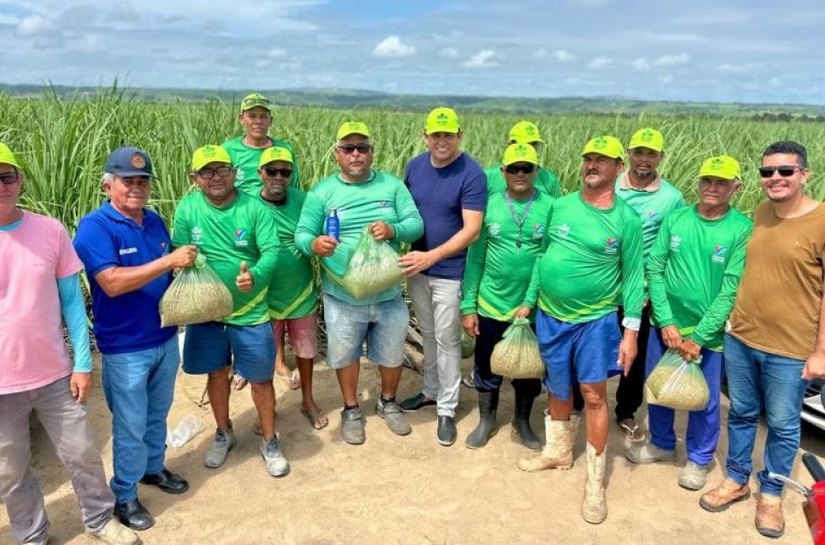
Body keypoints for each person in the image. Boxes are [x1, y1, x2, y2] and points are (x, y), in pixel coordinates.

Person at [0, 141, 138, 545]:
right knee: (10, 468)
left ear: (19, 180)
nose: (1, 185)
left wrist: (82, 362)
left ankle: (99, 519)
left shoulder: (49, 230)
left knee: (81, 453)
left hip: (54, 374)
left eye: (7, 176)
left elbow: (74, 304)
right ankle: (32, 533)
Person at [700, 141, 825, 539]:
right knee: (740, 413)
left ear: (804, 174)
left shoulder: (822, 220)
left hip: (791, 348)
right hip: (742, 337)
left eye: (785, 171)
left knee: (785, 425)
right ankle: (737, 479)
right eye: (767, 172)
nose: (775, 179)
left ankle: (770, 493)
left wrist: (821, 351)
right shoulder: (760, 213)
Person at [519, 136, 644, 525]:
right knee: (557, 386)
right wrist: (529, 298)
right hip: (550, 315)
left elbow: (635, 278)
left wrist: (631, 333)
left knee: (592, 393)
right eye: (588, 158)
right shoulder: (560, 206)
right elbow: (542, 257)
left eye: (602, 160)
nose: (592, 165)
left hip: (595, 320)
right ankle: (557, 451)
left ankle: (594, 480)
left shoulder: (627, 220)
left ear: (617, 168)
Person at [73, 147, 198, 531]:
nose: (137, 187)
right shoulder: (96, 227)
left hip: (163, 336)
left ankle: (152, 468)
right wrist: (168, 262)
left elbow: (167, 273)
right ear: (107, 184)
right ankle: (124, 496)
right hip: (125, 347)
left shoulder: (155, 222)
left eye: (143, 181)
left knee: (157, 413)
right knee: (129, 422)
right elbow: (110, 283)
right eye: (128, 180)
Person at [625, 155, 752, 492]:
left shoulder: (741, 229)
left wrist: (700, 335)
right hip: (666, 326)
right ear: (698, 183)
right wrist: (665, 322)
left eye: (722, 183)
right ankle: (662, 444)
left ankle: (699, 457)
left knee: (705, 399)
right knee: (659, 387)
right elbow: (655, 268)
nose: (712, 188)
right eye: (707, 181)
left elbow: (730, 288)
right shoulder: (677, 218)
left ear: (735, 187)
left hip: (706, 335)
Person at [295, 121, 423, 445]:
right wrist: (314, 244)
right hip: (341, 295)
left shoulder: (392, 186)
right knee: (345, 354)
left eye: (362, 148)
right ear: (337, 154)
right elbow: (302, 234)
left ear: (371, 153)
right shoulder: (322, 192)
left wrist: (393, 230)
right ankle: (351, 409)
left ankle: (388, 402)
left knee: (391, 353)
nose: (355, 154)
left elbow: (416, 225)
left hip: (387, 292)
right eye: (348, 148)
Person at [172, 145, 286, 477]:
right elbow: (180, 249)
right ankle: (224, 433)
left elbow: (272, 251)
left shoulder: (254, 207)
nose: (216, 177)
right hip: (207, 310)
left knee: (261, 379)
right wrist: (181, 265)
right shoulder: (188, 207)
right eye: (207, 172)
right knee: (216, 373)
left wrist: (256, 276)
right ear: (195, 179)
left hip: (250, 310)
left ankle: (269, 439)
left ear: (235, 172)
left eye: (222, 169)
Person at [399, 107, 487, 447]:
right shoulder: (414, 167)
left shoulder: (471, 174)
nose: (442, 141)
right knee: (430, 333)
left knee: (448, 340)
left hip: (449, 272)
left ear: (459, 136)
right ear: (425, 136)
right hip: (418, 269)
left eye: (448, 135)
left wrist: (430, 257)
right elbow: (404, 212)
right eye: (436, 135)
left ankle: (447, 409)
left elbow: (472, 230)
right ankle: (431, 391)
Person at [460, 143, 554, 450]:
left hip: (533, 307)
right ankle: (486, 420)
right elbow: (475, 259)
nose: (520, 174)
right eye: (513, 168)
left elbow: (545, 259)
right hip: (491, 303)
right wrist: (469, 305)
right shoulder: (488, 206)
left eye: (527, 168)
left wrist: (529, 301)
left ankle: (522, 421)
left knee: (528, 368)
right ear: (503, 172)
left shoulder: (551, 207)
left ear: (537, 172)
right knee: (486, 365)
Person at [612, 128, 685, 442]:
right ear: (628, 154)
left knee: (635, 354)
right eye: (638, 152)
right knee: (590, 345)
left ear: (661, 158)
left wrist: (655, 291)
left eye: (651, 154)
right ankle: (576, 402)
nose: (644, 159)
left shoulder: (671, 198)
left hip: (639, 292)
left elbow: (672, 248)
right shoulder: (611, 184)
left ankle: (625, 411)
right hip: (602, 286)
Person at [257, 146, 327, 430]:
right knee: (265, 355)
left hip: (300, 289)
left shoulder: (304, 200)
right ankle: (269, 406)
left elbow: (318, 234)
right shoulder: (249, 204)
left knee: (306, 350)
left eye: (285, 172)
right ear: (260, 173)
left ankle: (308, 400)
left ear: (291, 175)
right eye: (271, 171)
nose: (278, 177)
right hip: (263, 293)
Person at [222, 92, 300, 195]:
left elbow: (294, 188)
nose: (258, 121)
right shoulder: (228, 149)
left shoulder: (285, 150)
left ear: (270, 120)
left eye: (263, 116)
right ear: (241, 119)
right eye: (252, 116)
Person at [484, 121, 562, 198]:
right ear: (510, 145)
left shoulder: (549, 180)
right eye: (526, 144)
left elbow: (558, 208)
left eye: (534, 144)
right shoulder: (488, 177)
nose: (529, 149)